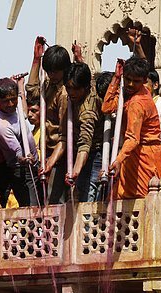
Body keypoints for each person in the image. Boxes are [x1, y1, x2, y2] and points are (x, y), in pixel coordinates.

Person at [102, 57, 161, 199]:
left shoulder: (137, 103)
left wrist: (118, 160)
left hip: (144, 159)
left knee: (142, 203)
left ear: (145, 80)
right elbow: (107, 107)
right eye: (128, 79)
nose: (131, 84)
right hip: (135, 155)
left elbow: (132, 138)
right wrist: (116, 78)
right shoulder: (135, 92)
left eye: (136, 81)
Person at [26, 37, 71, 204]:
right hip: (47, 152)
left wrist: (51, 163)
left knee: (55, 200)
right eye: (49, 71)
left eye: (55, 71)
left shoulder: (65, 93)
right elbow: (32, 92)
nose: (51, 75)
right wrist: (36, 60)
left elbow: (65, 136)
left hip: (61, 154)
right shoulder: (49, 85)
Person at [0, 77, 41, 207]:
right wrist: (23, 158)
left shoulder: (17, 108)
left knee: (43, 205)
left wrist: (21, 85)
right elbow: (17, 150)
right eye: (5, 101)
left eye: (13, 99)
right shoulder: (0, 124)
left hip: (36, 165)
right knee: (32, 208)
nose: (10, 104)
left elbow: (23, 113)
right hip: (21, 169)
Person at [63, 62, 104, 202]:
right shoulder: (89, 85)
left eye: (75, 88)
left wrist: (75, 172)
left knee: (89, 196)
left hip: (95, 153)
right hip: (84, 154)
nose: (71, 92)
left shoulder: (87, 111)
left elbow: (85, 144)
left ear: (85, 87)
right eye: (68, 87)